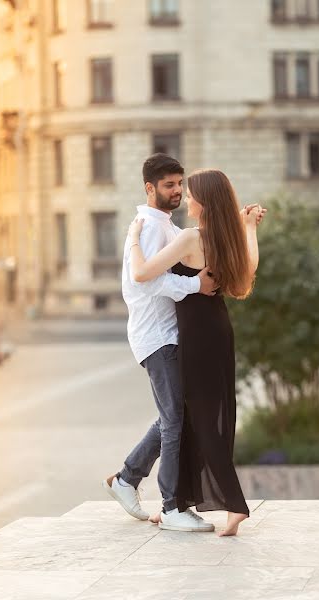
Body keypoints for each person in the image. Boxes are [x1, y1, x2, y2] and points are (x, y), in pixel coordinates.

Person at [128, 167, 265, 536]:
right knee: (193, 418)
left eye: (190, 194)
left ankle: (234, 506)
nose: (186, 199)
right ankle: (178, 502)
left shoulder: (191, 238)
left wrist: (134, 238)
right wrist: (249, 227)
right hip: (218, 332)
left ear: (203, 203)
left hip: (197, 339)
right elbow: (249, 270)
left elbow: (141, 274)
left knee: (201, 421)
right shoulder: (227, 238)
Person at [104, 154, 221, 532]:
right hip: (156, 336)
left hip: (169, 334)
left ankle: (126, 479)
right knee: (174, 419)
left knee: (175, 415)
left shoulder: (165, 226)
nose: (176, 191)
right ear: (150, 188)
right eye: (168, 185)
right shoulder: (149, 227)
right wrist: (195, 285)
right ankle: (171, 506)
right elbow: (142, 281)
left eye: (179, 184)